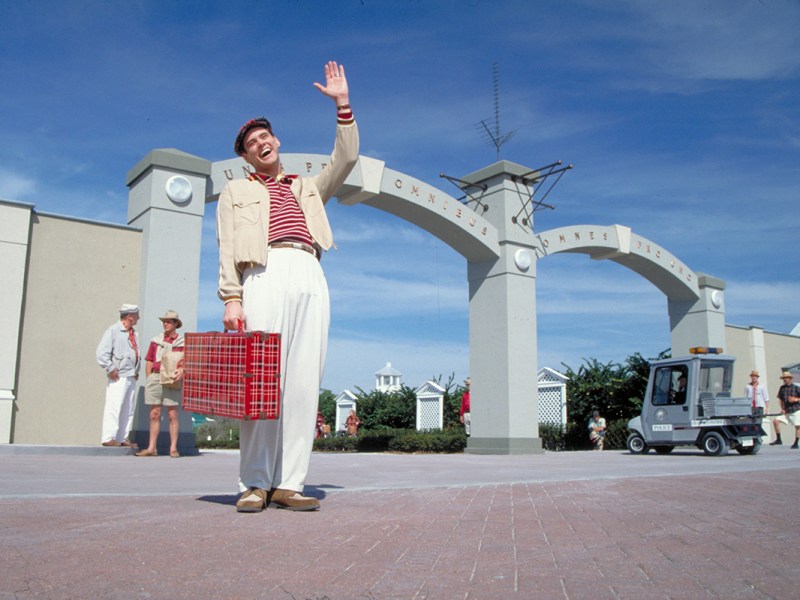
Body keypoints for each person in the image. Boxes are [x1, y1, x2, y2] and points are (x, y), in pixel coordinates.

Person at [217, 61, 359, 513]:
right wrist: (232, 298)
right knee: (263, 379)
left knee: (302, 382)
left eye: (265, 137)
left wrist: (342, 104)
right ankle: (255, 482)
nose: (261, 144)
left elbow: (347, 158)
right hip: (263, 271)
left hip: (309, 268)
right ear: (245, 157)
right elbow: (225, 249)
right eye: (251, 144)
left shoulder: (307, 187)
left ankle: (290, 482)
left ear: (277, 141)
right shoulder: (235, 193)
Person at [136, 310, 184, 458]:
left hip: (171, 378)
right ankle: (151, 448)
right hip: (156, 377)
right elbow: (149, 360)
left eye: (169, 321)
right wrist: (149, 377)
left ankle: (173, 448)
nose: (165, 323)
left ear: (176, 323)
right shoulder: (156, 340)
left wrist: (182, 371)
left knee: (172, 414)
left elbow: (186, 361)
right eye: (164, 321)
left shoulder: (182, 342)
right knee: (154, 413)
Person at [96, 304, 141, 447]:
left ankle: (122, 437)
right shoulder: (114, 330)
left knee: (128, 408)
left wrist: (136, 370)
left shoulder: (134, 334)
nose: (138, 317)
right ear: (129, 316)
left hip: (130, 375)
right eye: (136, 315)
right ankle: (109, 437)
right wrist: (110, 368)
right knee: (114, 406)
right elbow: (101, 353)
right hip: (119, 375)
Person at [771, 371, 800, 447]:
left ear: (790, 379)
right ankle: (779, 439)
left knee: (798, 425)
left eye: (786, 378)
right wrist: (782, 409)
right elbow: (780, 399)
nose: (785, 379)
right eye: (784, 378)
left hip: (795, 410)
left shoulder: (796, 388)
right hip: (786, 411)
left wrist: (795, 400)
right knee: (776, 421)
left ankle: (796, 442)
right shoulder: (782, 388)